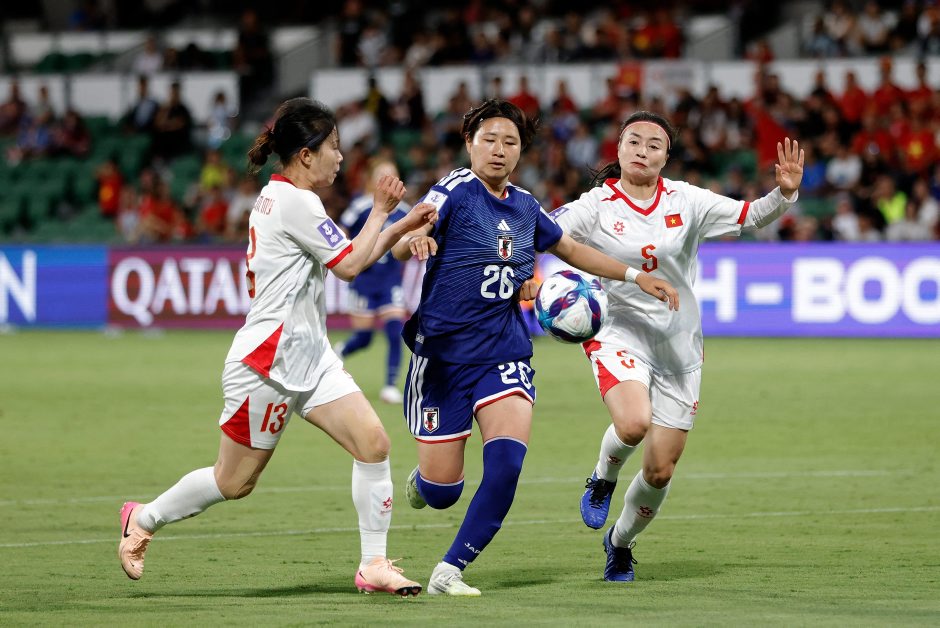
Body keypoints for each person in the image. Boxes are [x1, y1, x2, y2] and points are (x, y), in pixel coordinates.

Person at [118, 97, 437, 596]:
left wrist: (399, 224)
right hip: (268, 364)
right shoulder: (295, 203)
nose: (340, 156)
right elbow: (350, 266)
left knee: (373, 443)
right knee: (234, 483)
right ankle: (143, 518)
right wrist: (382, 210)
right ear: (306, 155)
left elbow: (351, 255)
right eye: (333, 147)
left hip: (311, 355)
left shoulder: (285, 197)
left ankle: (373, 564)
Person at [389, 99, 678, 596]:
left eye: (510, 142)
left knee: (506, 466)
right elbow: (403, 239)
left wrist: (635, 276)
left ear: (521, 152)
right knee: (441, 492)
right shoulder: (454, 190)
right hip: (442, 359)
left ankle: (450, 570)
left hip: (504, 353)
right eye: (489, 140)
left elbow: (571, 249)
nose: (499, 150)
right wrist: (413, 241)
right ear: (469, 144)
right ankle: (425, 482)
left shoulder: (526, 206)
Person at [550, 110, 803, 582]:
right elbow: (545, 233)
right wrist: (525, 272)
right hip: (618, 333)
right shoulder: (596, 205)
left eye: (654, 145)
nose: (642, 151)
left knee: (660, 471)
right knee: (633, 423)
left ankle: (619, 543)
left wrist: (784, 193)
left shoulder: (687, 200)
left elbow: (751, 216)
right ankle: (603, 477)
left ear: (666, 157)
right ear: (618, 149)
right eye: (633, 141)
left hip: (678, 345)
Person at [335, 158, 411, 404]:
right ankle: (341, 351)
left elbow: (412, 236)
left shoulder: (405, 211)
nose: (388, 181)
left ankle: (390, 386)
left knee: (395, 331)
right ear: (372, 181)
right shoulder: (360, 206)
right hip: (364, 280)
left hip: (390, 280)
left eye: (393, 175)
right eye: (382, 176)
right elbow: (341, 232)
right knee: (364, 337)